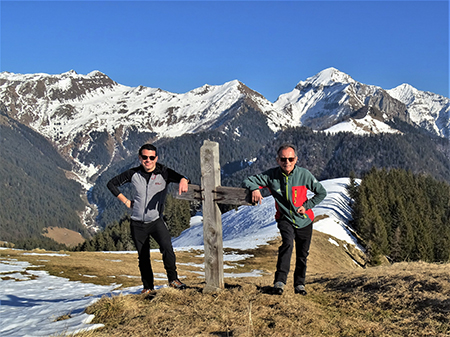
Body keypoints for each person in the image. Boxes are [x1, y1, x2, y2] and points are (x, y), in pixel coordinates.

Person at [243, 144, 327, 295]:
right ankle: (279, 283)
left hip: (304, 220)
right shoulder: (271, 175)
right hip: (285, 218)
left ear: (296, 159)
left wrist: (307, 206)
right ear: (277, 160)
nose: (287, 162)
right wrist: (255, 188)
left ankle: (299, 285)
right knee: (287, 244)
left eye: (290, 158)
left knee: (302, 254)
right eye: (283, 159)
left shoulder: (304, 174)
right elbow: (248, 180)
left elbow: (321, 192)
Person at [107, 143, 189, 293]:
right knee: (143, 257)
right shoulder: (133, 173)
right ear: (140, 158)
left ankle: (173, 280)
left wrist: (184, 180)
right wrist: (126, 201)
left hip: (156, 221)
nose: (148, 160)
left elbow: (181, 177)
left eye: (151, 157)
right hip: (137, 223)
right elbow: (111, 184)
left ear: (156, 158)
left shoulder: (164, 172)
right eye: (145, 157)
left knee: (167, 249)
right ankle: (148, 287)